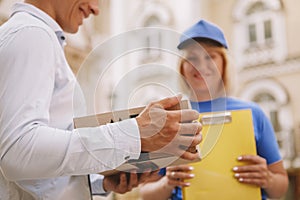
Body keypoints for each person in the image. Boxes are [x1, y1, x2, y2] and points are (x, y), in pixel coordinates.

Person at [0, 1, 202, 199]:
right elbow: (17, 150)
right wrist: (134, 134)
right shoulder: (31, 35)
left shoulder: (34, 36)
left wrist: (99, 181)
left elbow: (33, 166)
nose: (95, 9)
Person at [139, 19, 289, 200]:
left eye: (210, 56)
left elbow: (280, 187)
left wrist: (268, 179)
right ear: (182, 67)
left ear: (224, 62)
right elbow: (146, 193)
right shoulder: (170, 117)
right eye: (192, 57)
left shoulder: (253, 113)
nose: (201, 65)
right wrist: (168, 182)